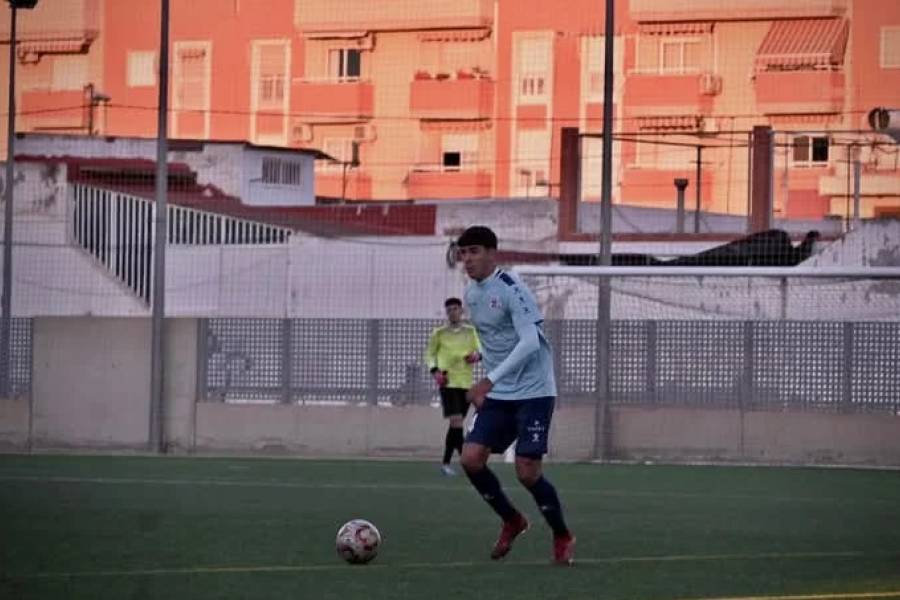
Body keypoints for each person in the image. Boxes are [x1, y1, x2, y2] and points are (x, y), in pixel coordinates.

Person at [456, 225, 576, 566]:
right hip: (501, 392)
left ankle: (562, 534)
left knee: (526, 471)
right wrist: (482, 358)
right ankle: (512, 520)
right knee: (471, 459)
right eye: (463, 253)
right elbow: (495, 336)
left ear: (493, 253)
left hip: (535, 391)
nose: (468, 260)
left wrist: (487, 380)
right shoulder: (472, 294)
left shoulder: (513, 289)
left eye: (475, 252)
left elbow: (528, 342)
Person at [424, 297, 481, 476]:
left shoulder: (471, 332)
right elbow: (429, 354)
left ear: (461, 311)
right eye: (449, 310)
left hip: (465, 383)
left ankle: (446, 463)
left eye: (455, 309)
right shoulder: (439, 333)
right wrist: (435, 372)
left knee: (456, 425)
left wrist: (476, 356)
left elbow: (481, 350)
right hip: (448, 383)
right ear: (446, 313)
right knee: (456, 421)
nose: (453, 312)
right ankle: (467, 459)